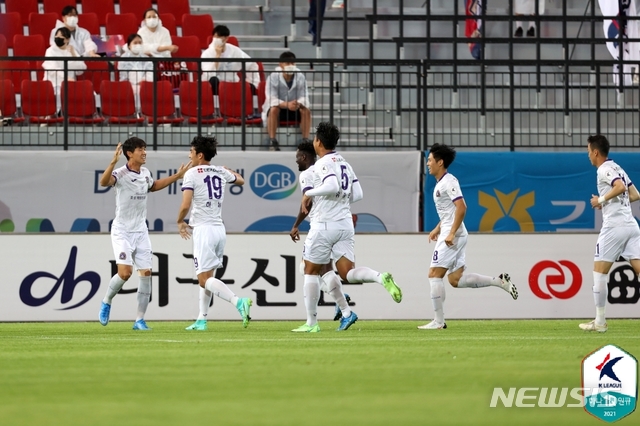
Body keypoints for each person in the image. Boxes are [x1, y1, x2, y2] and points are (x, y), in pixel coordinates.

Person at [293, 122, 403, 333]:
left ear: (318, 141)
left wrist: (310, 193)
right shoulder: (345, 163)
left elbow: (332, 186)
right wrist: (340, 202)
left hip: (324, 224)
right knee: (347, 273)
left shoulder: (323, 163)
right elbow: (358, 194)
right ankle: (380, 277)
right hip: (345, 224)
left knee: (309, 270)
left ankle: (311, 323)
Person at [419, 143, 518, 330]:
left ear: (440, 162)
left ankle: (438, 322)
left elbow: (462, 207)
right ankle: (499, 281)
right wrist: (438, 228)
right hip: (454, 232)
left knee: (434, 274)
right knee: (455, 279)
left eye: (430, 160)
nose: (428, 164)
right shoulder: (442, 183)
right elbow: (450, 212)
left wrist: (450, 233)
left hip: (454, 235)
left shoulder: (449, 181)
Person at [98, 138, 191, 330]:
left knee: (146, 273)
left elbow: (154, 186)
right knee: (125, 273)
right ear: (130, 153)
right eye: (141, 149)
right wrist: (112, 162)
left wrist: (177, 176)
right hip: (122, 231)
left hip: (141, 231)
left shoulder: (145, 173)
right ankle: (106, 301)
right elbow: (104, 181)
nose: (144, 152)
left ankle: (139, 320)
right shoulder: (121, 173)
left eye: (145, 149)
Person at [177, 136, 253, 331]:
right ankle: (202, 319)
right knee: (208, 278)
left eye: (191, 152)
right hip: (219, 229)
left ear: (200, 155)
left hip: (203, 230)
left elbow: (186, 204)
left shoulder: (192, 174)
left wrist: (179, 221)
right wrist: (230, 171)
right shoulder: (220, 171)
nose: (189, 155)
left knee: (204, 279)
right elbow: (241, 180)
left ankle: (238, 301)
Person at [579, 135, 640, 332]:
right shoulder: (617, 167)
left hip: (615, 227)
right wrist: (609, 202)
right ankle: (599, 322)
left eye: (589, 151)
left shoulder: (603, 169)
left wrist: (601, 200)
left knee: (599, 272)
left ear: (596, 152)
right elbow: (635, 195)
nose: (588, 155)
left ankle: (600, 322)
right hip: (631, 225)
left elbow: (620, 187)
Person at [290, 140, 352, 322]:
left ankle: (316, 318)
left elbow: (307, 204)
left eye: (297, 158)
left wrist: (295, 225)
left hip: (320, 226)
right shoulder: (322, 167)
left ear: (303, 157)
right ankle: (342, 301)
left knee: (307, 269)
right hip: (336, 223)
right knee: (324, 270)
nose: (296, 162)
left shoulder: (307, 174)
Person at [262, 51, 311, 152]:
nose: (290, 66)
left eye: (292, 63)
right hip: (279, 108)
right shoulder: (273, 77)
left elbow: (305, 96)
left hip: (294, 108)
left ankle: (305, 141)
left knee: (306, 110)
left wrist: (298, 103)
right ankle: (272, 141)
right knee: (273, 109)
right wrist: (286, 104)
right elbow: (271, 98)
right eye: (287, 63)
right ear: (280, 64)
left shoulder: (300, 76)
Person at [201, 25, 260, 96]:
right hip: (213, 85)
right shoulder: (207, 53)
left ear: (226, 38)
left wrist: (251, 82)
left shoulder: (234, 51)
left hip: (231, 83)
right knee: (214, 80)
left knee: (249, 87)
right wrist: (217, 56)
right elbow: (209, 74)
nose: (216, 39)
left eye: (219, 37)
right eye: (215, 37)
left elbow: (252, 64)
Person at [42, 27, 87, 110]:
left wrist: (73, 54)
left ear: (67, 39)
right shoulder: (50, 51)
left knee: (89, 93)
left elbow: (82, 69)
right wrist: (67, 78)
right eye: (56, 37)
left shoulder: (72, 51)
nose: (58, 39)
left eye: (61, 37)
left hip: (71, 85)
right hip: (54, 84)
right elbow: (53, 69)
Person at [118, 33, 153, 111]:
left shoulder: (146, 58)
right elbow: (124, 75)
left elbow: (150, 72)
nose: (138, 45)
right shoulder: (123, 58)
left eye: (140, 43)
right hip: (128, 84)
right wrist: (136, 81)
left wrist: (144, 80)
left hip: (145, 84)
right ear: (129, 46)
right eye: (135, 43)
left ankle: (147, 114)